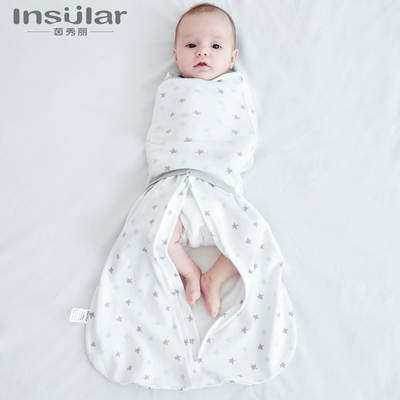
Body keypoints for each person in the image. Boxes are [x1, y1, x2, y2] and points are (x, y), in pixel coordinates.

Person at [168, 3, 242, 319]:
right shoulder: (172, 91)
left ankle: (215, 278)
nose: (202, 52)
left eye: (215, 46)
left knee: (251, 239)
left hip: (217, 187)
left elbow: (241, 134)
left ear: (232, 58)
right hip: (175, 187)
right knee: (155, 235)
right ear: (176, 55)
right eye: (191, 46)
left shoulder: (232, 91)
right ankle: (190, 272)